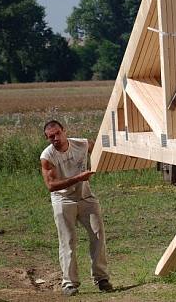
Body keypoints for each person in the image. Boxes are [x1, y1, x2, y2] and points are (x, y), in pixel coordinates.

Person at [40, 120, 113, 296]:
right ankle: (69, 283)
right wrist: (79, 177)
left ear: (64, 131)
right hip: (63, 200)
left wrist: (113, 158)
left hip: (86, 196)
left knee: (98, 235)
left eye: (58, 133)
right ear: (47, 138)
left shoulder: (82, 143)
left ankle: (102, 278)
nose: (56, 138)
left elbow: (100, 151)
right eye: (51, 137)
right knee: (68, 241)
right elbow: (51, 185)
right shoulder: (47, 156)